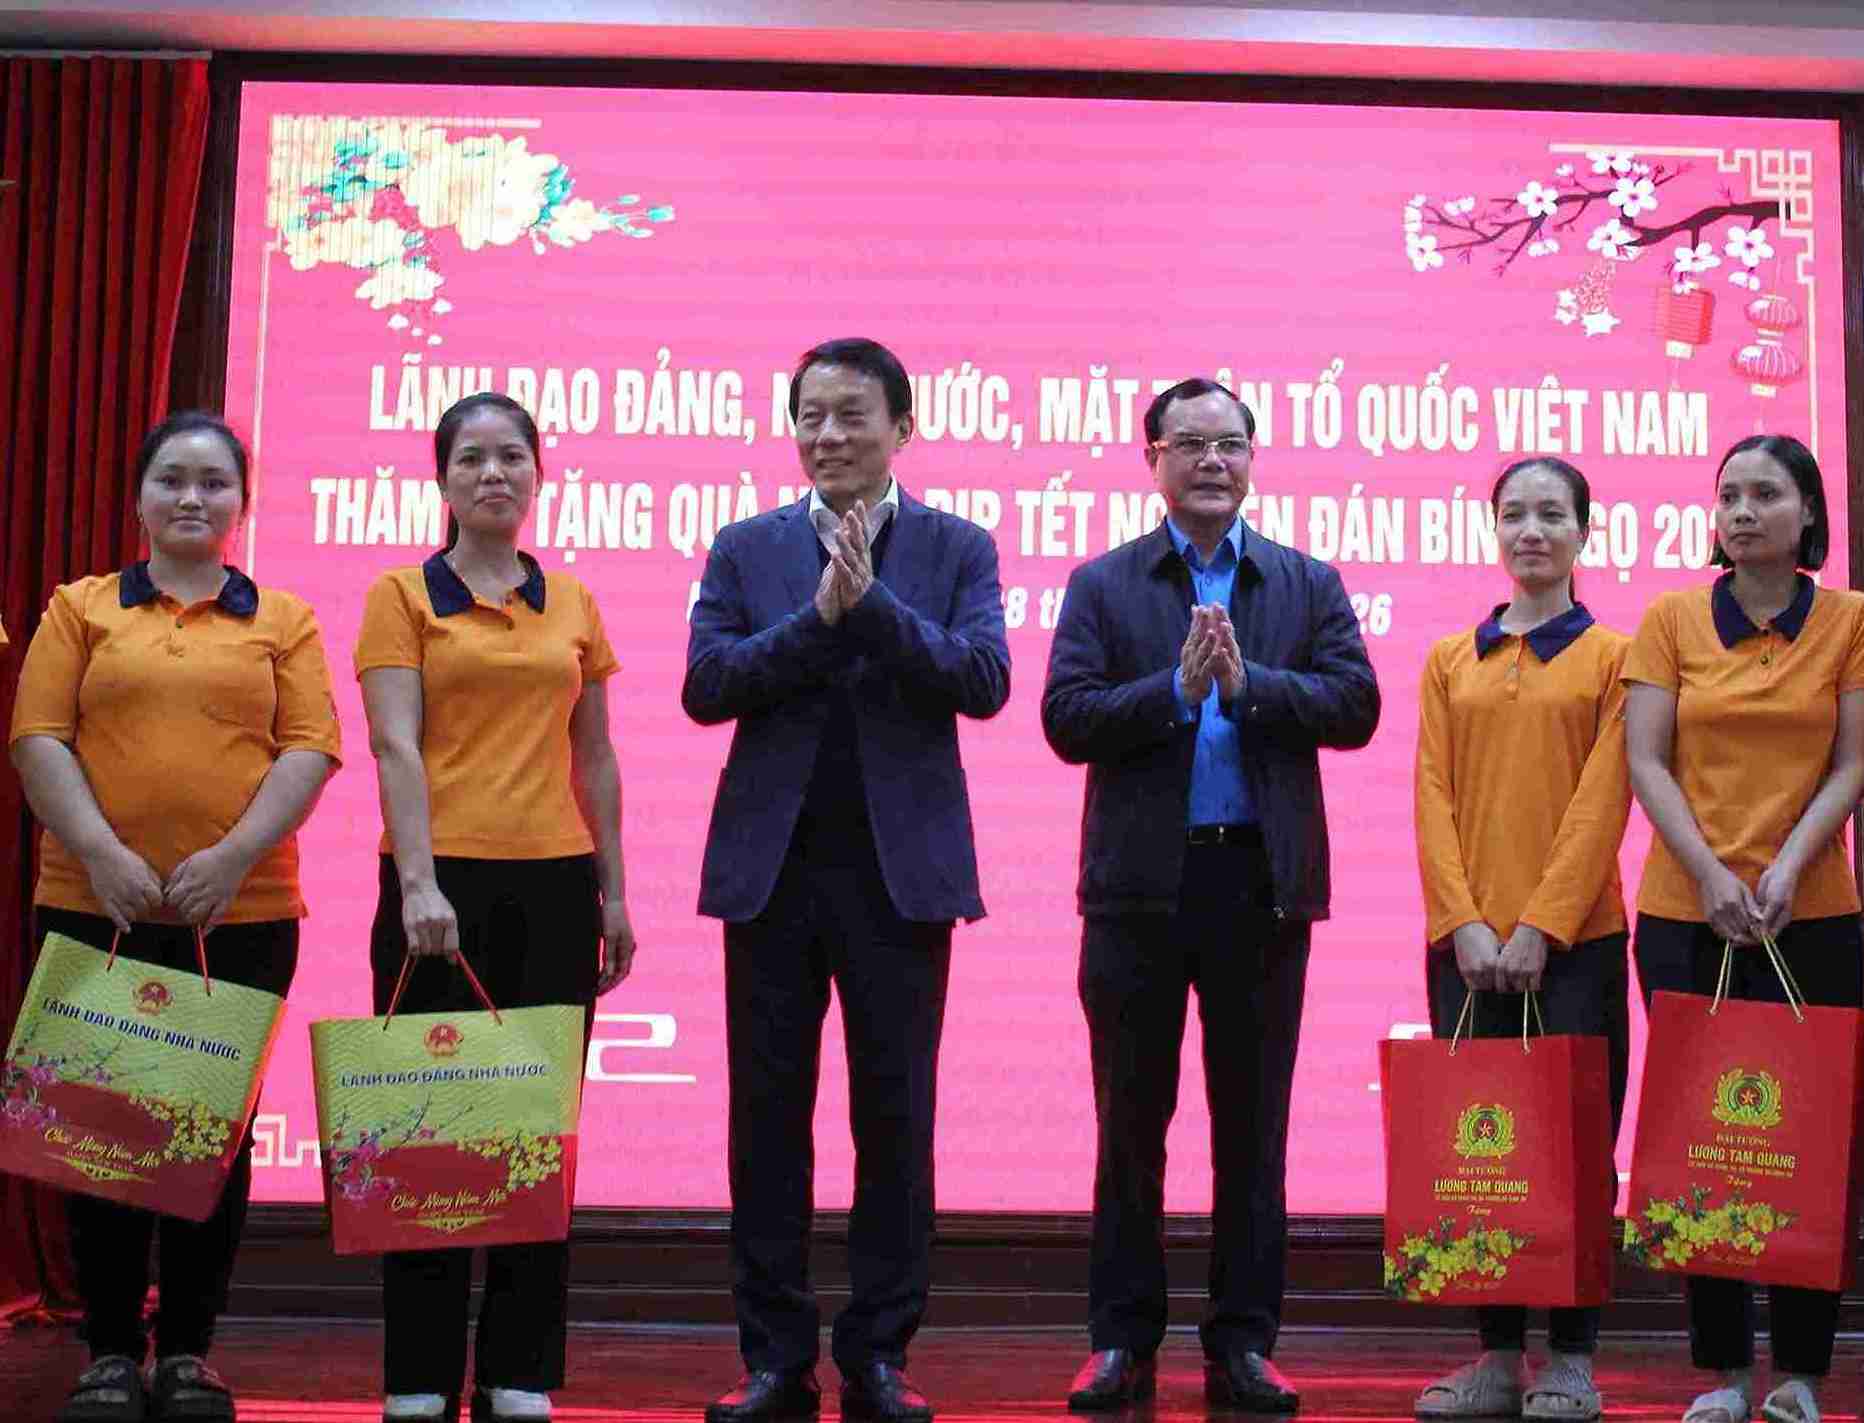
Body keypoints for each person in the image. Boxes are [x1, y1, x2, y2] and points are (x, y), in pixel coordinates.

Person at [683, 338, 1010, 1423]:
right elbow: (707, 685)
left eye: (852, 416)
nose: (828, 436)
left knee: (894, 1119)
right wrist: (817, 617)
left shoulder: (958, 546)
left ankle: (877, 1351)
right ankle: (776, 1355)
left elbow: (983, 679)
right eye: (810, 416)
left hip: (898, 878)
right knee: (766, 1122)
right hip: (770, 875)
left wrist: (869, 606)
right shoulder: (745, 547)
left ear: (901, 428)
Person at [1044, 378, 1381, 1416]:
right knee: (1129, 1124)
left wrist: (1248, 688)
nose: (1210, 461)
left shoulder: (1302, 582)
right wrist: (1174, 693)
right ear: (1150, 458)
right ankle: (1119, 1340)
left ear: (1252, 459)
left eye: (1229, 443)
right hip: (1136, 891)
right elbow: (1067, 716)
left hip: (1259, 887)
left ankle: (1242, 1340)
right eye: (1187, 444)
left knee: (1253, 1129)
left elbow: (1355, 704)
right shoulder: (1104, 585)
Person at [9, 412, 341, 1423]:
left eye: (214, 483)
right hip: (91, 902)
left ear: (243, 504)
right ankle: (110, 1348)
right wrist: (105, 857)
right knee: (97, 1131)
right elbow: (37, 736)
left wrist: (230, 858)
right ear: (141, 498)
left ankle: (189, 1351)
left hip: (239, 911)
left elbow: (309, 748)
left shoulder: (281, 619)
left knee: (210, 1134)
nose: (192, 498)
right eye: (172, 480)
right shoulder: (82, 608)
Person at [357, 393, 635, 1423]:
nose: (492, 474)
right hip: (436, 886)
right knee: (426, 1135)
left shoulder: (570, 600)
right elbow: (394, 746)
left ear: (537, 475)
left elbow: (595, 754)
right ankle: (420, 1375)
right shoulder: (401, 594)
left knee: (532, 1138)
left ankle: (519, 1366)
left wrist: (612, 889)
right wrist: (421, 882)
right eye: (471, 458)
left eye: (511, 456)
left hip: (557, 884)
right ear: (442, 480)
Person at [1620, 433, 1864, 1423]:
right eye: (1727, 494)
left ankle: (1802, 1374)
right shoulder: (1672, 618)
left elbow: (1854, 765)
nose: (1740, 510)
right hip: (1687, 916)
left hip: (1809, 914)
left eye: (1764, 493)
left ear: (1807, 513)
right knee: (1705, 1137)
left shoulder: (1854, 620)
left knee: (1804, 1139)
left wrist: (1779, 869)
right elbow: (1647, 762)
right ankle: (1723, 1373)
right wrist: (1712, 873)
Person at [1410, 457, 1631, 1422]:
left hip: (1576, 941)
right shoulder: (1450, 658)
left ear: (1587, 531)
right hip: (1462, 948)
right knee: (1480, 1149)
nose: (1530, 530)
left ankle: (1572, 1359)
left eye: (1551, 513)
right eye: (1513, 514)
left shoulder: (1616, 657)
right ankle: (1497, 1357)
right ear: (1492, 532)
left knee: (1575, 1147)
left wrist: (1542, 923)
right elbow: (1431, 797)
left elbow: (1602, 803)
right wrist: (1462, 920)